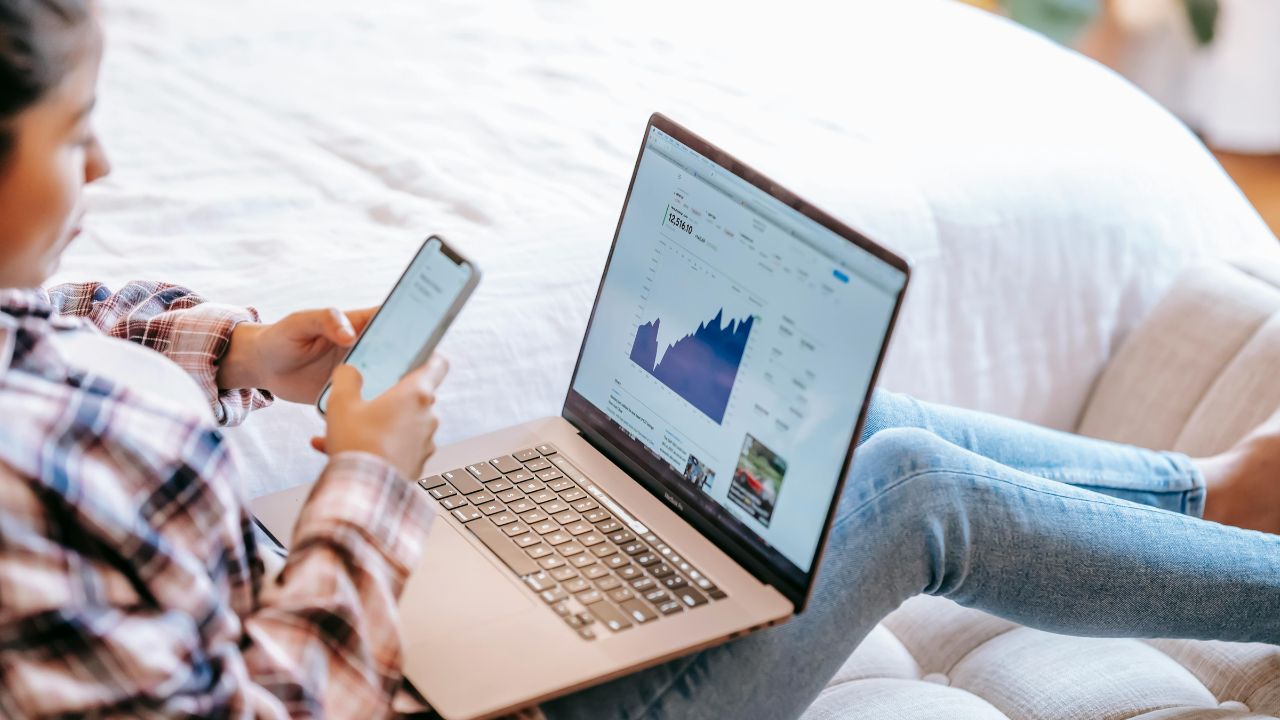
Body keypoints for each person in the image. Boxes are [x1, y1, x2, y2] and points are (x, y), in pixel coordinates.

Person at [0, 2, 1275, 718]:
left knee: (836, 434)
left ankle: (1210, 491)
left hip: (369, 633)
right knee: (910, 495)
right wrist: (370, 490)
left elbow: (63, 311)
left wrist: (230, 344)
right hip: (417, 692)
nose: (103, 172)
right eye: (77, 136)